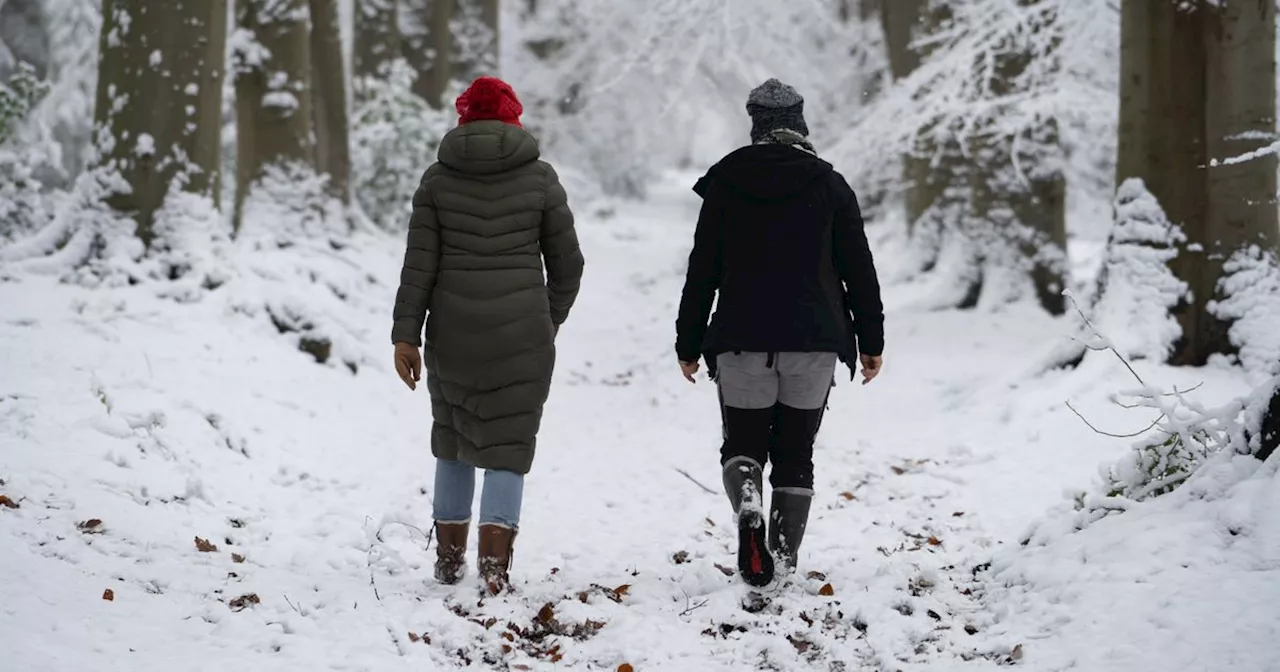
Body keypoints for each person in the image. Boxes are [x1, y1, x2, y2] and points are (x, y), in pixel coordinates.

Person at [675, 78, 885, 587]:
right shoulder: (829, 184)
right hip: (813, 342)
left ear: (755, 125)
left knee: (743, 445)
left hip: (742, 338)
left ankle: (748, 504)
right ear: (801, 123)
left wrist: (688, 342)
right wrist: (871, 341)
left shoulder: (727, 182)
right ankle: (783, 559)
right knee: (796, 454)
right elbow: (858, 268)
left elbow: (703, 268)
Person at [391, 76, 584, 595]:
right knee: (507, 444)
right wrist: (549, 319)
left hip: (452, 332)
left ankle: (449, 565)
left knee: (453, 442)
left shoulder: (437, 180)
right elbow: (569, 266)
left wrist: (406, 335)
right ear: (513, 118)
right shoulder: (540, 179)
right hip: (522, 333)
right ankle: (495, 571)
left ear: (463, 118)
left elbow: (419, 266)